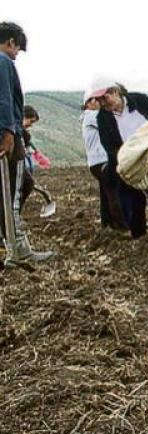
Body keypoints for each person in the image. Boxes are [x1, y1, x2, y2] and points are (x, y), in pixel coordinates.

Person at [93, 81, 148, 245]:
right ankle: (139, 235)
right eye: (99, 101)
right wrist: (125, 156)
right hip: (126, 160)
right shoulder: (103, 117)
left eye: (105, 98)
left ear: (115, 92)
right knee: (130, 199)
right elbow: (108, 145)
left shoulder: (139, 100)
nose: (103, 104)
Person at [0, 21, 54, 268]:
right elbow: (5, 100)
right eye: (18, 49)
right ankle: (18, 251)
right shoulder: (3, 61)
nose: (16, 54)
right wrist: (9, 132)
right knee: (12, 195)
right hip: (7, 139)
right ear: (11, 42)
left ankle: (14, 247)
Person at [82, 90, 126, 230]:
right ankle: (122, 226)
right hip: (101, 160)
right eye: (96, 100)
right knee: (114, 191)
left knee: (106, 191)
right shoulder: (93, 116)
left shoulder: (87, 117)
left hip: (95, 162)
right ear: (89, 103)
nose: (100, 103)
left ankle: (107, 223)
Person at [19, 105, 56, 217]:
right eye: (30, 121)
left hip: (23, 164)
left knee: (26, 185)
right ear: (23, 116)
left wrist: (37, 155)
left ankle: (14, 215)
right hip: (14, 164)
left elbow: (29, 146)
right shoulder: (15, 131)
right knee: (28, 184)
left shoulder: (23, 134)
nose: (31, 125)